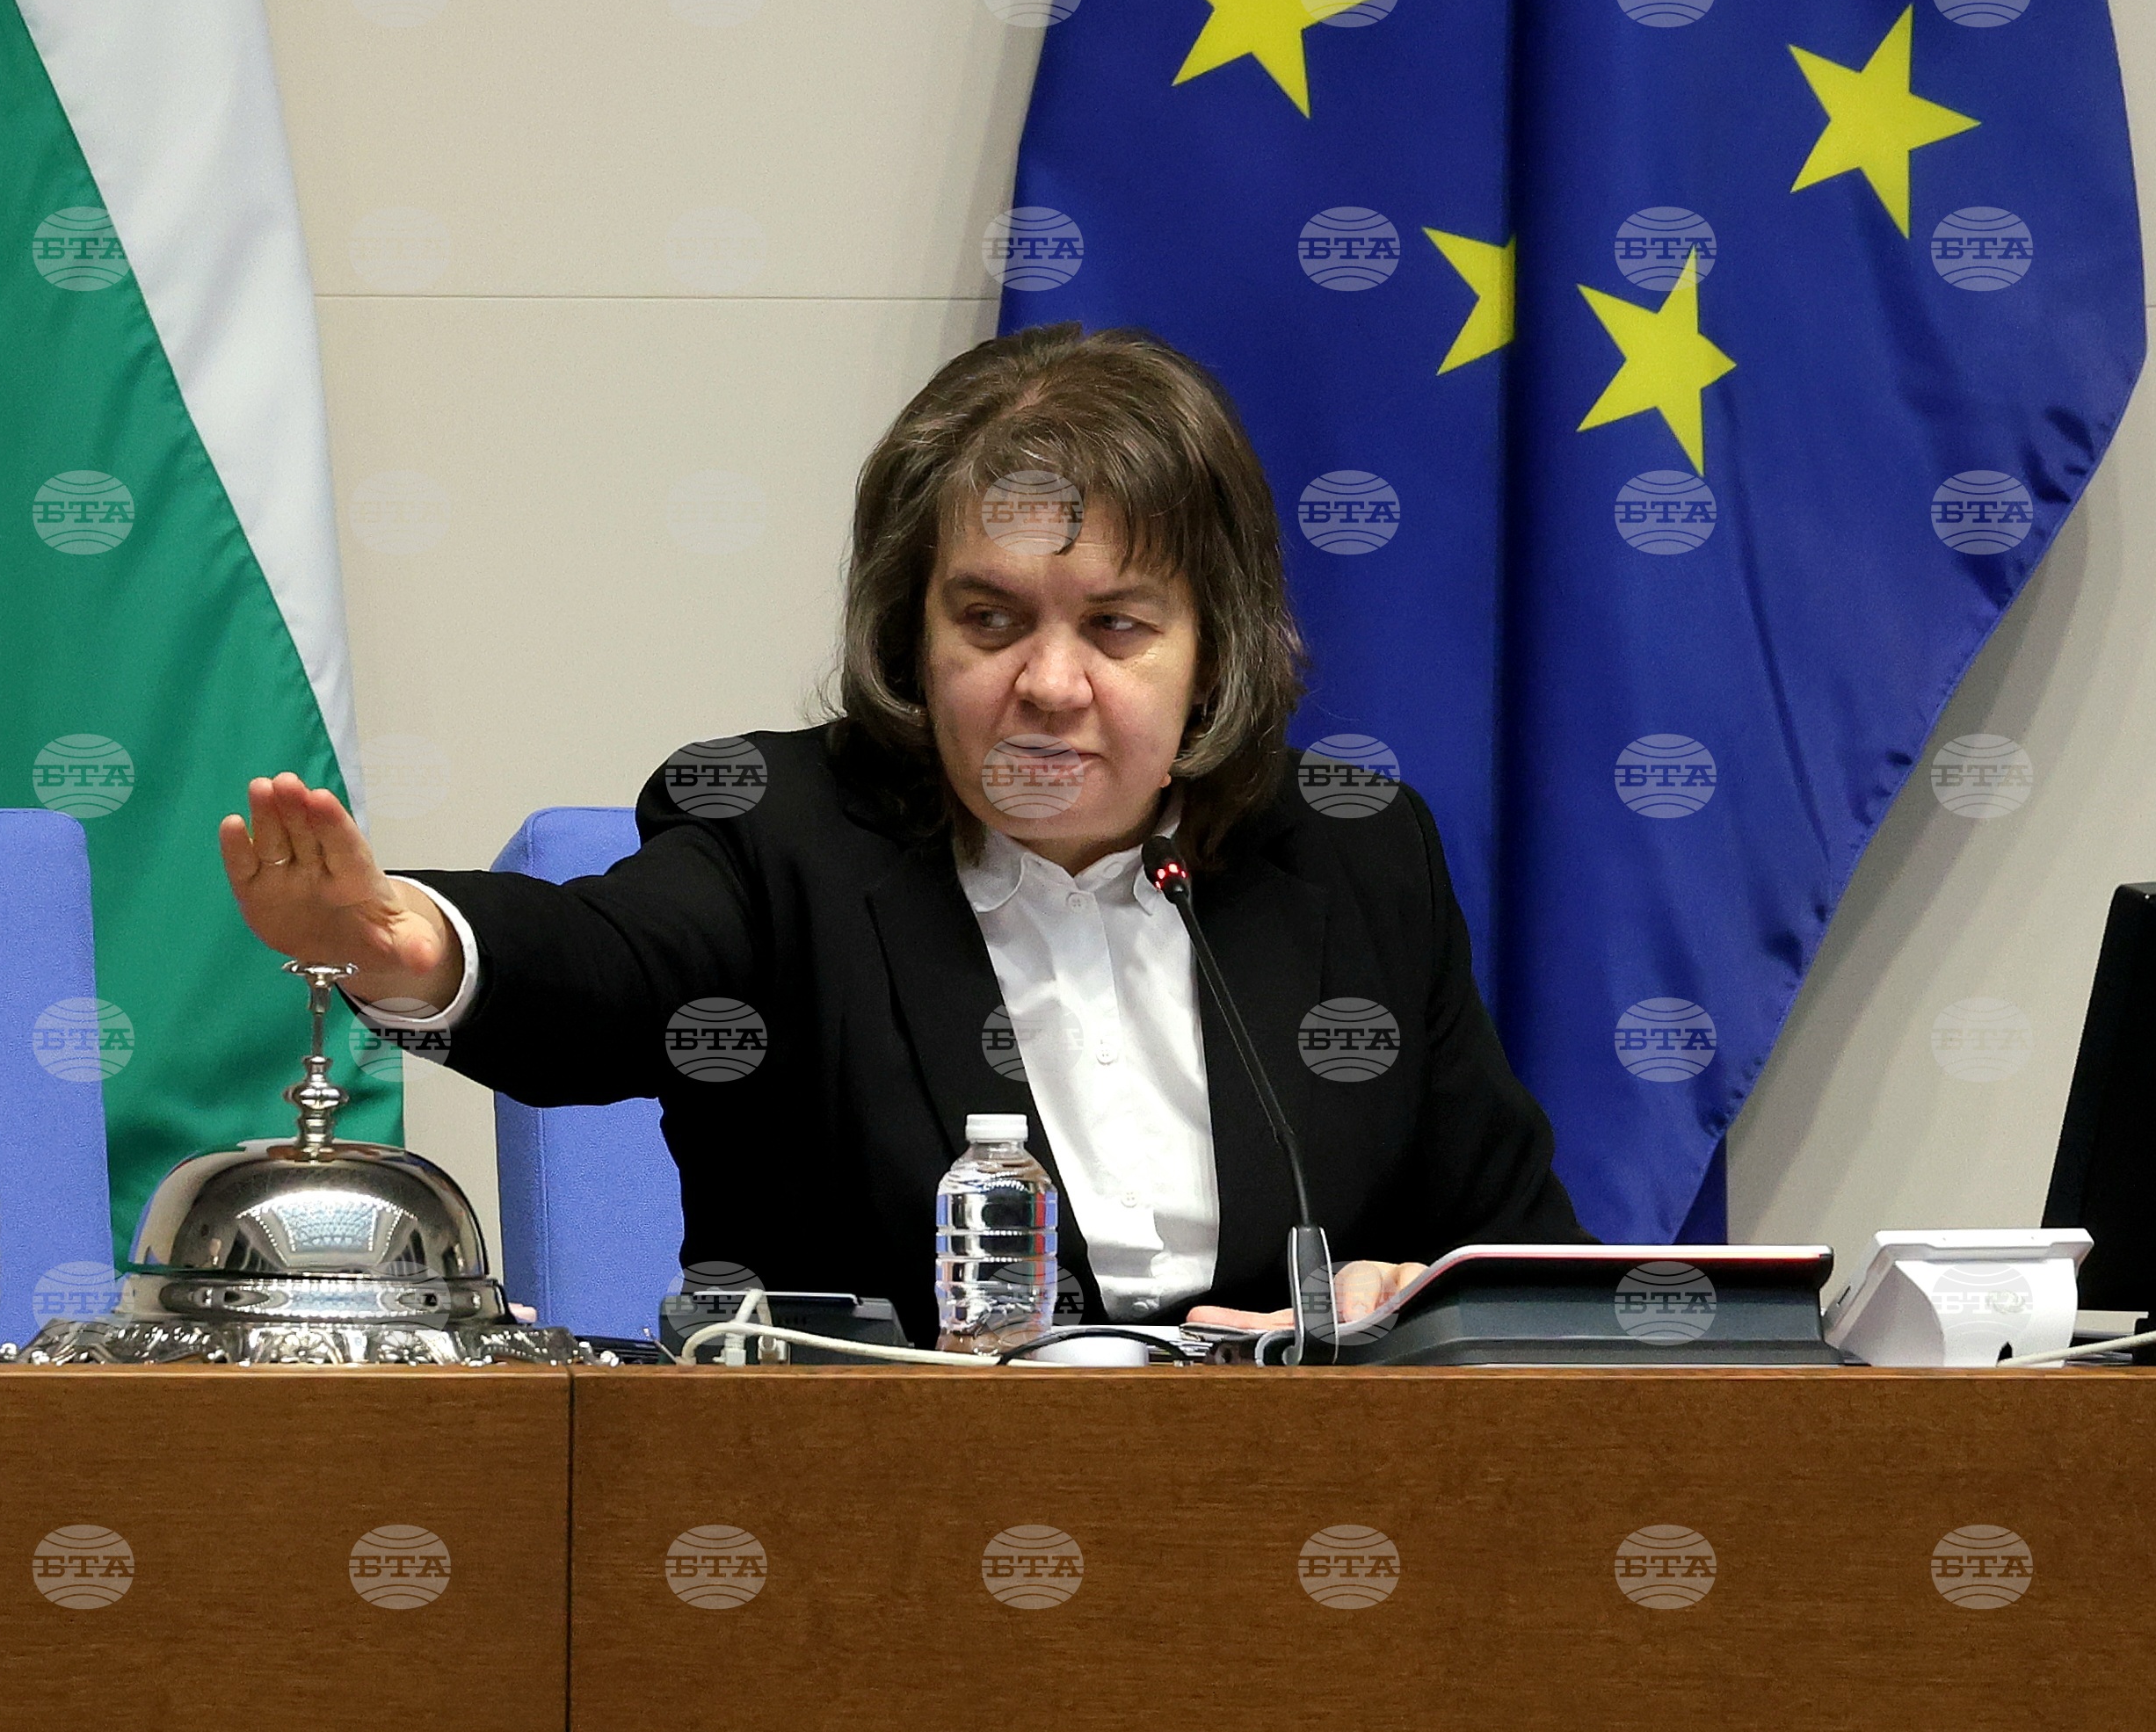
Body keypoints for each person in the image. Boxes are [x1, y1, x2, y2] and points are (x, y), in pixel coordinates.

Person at [218, 321, 1581, 1344]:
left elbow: (1525, 1265)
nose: (1051, 685)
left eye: (1117, 626)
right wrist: (407, 940)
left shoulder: (1351, 855)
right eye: (991, 621)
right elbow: (599, 967)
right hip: (873, 1535)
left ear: (1213, 649)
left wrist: (1417, 1301)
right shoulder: (784, 833)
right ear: (908, 636)